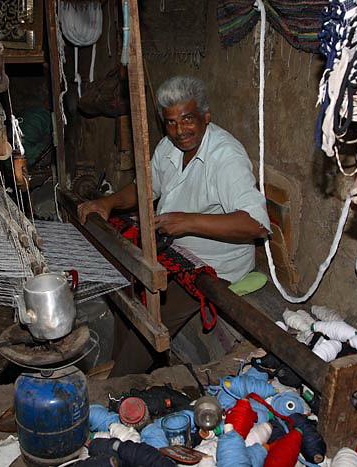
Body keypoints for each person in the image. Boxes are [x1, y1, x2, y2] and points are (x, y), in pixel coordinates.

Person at [78, 76, 270, 376]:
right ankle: (116, 368)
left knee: (154, 318)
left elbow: (257, 224)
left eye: (188, 119)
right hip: (173, 250)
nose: (180, 131)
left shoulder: (226, 157)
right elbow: (146, 188)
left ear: (206, 116)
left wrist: (187, 222)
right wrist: (109, 202)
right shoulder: (168, 148)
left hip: (213, 266)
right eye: (170, 122)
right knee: (125, 284)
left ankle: (116, 387)